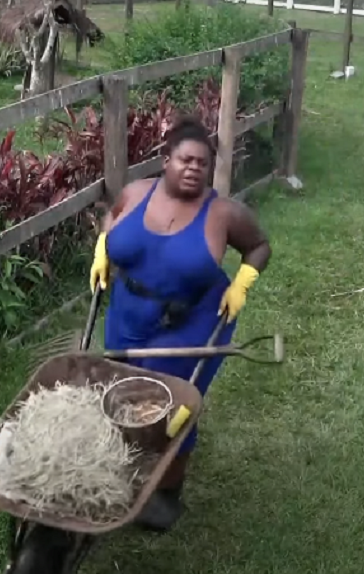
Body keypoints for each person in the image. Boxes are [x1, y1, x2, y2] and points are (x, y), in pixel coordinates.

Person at [88, 115, 272, 532]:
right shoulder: (135, 193)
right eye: (185, 160)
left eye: (202, 164)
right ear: (165, 159)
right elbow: (111, 217)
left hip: (193, 319)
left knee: (172, 409)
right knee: (122, 394)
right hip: (128, 310)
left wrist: (242, 282)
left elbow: (259, 245)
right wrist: (103, 247)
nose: (193, 169)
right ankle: (123, 462)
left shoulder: (223, 213)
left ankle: (167, 490)